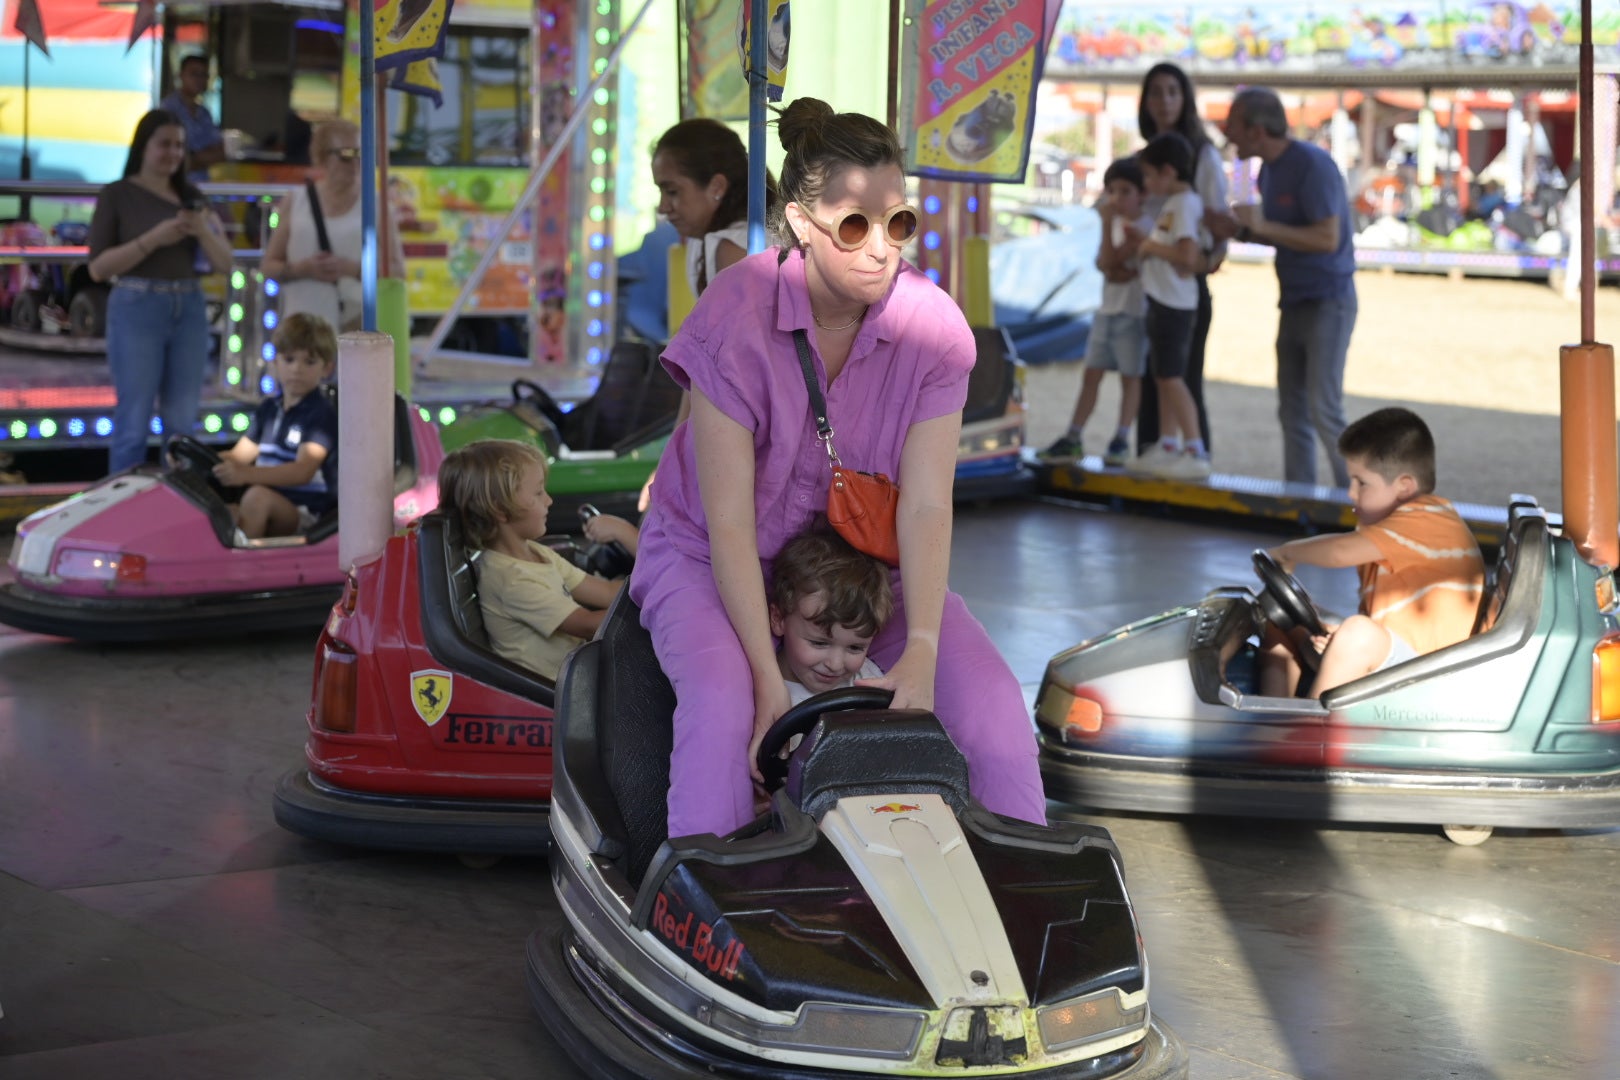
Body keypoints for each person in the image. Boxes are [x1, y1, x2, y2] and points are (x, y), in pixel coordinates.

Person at [628, 97, 1048, 840]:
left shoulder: (934, 331)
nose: (882, 249)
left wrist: (922, 648)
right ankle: (704, 885)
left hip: (858, 568)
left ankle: (1022, 885)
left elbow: (926, 505)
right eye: (855, 226)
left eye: (899, 223)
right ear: (800, 223)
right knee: (725, 707)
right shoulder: (736, 310)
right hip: (709, 556)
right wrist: (767, 680)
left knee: (990, 706)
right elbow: (729, 525)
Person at [1259, 407, 1484, 698]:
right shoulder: (1387, 536)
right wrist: (1336, 639)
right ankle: (1272, 715)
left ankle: (1309, 726)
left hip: (1431, 675)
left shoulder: (1428, 518)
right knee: (1280, 618)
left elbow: (1339, 552)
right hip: (1398, 660)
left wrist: (1287, 553)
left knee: (1358, 634)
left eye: (1361, 482)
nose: (1351, 493)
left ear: (1404, 487)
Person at [1210, 86, 1358, 489]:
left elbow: (1326, 238)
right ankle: (1301, 498)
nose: (1228, 134)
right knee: (1293, 410)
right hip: (1295, 299)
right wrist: (1240, 230)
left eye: (1233, 126)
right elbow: (1285, 233)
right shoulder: (1271, 169)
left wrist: (1259, 226)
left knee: (1323, 408)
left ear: (1257, 131)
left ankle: (1360, 504)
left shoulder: (1312, 165)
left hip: (1328, 299)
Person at [639, 118, 780, 508]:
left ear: (717, 186)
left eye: (672, 191)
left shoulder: (728, 249)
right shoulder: (729, 241)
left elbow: (712, 367)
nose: (664, 207)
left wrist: (674, 460)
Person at [88, 109, 235, 474]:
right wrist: (154, 239)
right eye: (164, 144)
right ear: (144, 146)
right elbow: (98, 268)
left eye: (180, 146)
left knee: (182, 420)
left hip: (189, 306)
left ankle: (178, 499)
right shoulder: (118, 194)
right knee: (133, 419)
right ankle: (123, 500)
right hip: (137, 304)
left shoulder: (192, 196)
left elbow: (225, 263)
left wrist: (201, 230)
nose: (173, 153)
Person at [438, 440, 623, 682]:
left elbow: (607, 592)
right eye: (538, 493)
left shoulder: (537, 553)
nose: (549, 500)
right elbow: (587, 624)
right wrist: (656, 610)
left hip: (578, 675)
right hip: (555, 694)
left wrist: (659, 586)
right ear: (500, 509)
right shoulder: (509, 579)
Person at [1134, 63, 1229, 457]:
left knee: (1181, 380)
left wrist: (1197, 260)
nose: (1164, 101)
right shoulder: (1144, 158)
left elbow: (1218, 225)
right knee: (1154, 380)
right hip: (1151, 286)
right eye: (1156, 92)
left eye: (1173, 91)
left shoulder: (1202, 158)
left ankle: (1194, 459)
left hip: (1183, 286)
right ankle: (1158, 455)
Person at [1039, 158, 1151, 467]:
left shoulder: (1144, 226)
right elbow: (1107, 266)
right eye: (1112, 191)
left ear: (1142, 194)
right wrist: (1113, 263)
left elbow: (1111, 262)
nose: (1116, 199)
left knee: (1130, 377)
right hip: (1108, 308)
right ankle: (1074, 437)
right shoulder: (1116, 223)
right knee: (1092, 374)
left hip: (1134, 312)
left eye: (1125, 191)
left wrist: (1110, 252)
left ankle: (1121, 439)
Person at [261, 121, 401, 332]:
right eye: (346, 155)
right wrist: (302, 269)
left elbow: (397, 272)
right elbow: (268, 267)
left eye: (361, 154)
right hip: (302, 328)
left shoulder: (377, 205)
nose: (355, 163)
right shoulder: (297, 200)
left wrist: (351, 269)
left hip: (355, 325)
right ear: (322, 158)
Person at [211, 313, 339, 540]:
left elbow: (302, 471)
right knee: (220, 512)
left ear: (326, 369)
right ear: (276, 362)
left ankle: (243, 559)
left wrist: (246, 474)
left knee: (256, 498)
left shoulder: (320, 413)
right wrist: (194, 463)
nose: (297, 369)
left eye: (309, 362)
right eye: (289, 360)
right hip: (273, 502)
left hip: (308, 515)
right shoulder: (269, 409)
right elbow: (238, 457)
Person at [1131, 133, 1211, 480]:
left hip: (1173, 305)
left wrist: (1150, 248)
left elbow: (1187, 256)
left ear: (1168, 171)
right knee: (1164, 377)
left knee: (1173, 379)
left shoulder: (1183, 204)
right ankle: (1167, 444)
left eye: (1150, 175)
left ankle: (1195, 448)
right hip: (1163, 301)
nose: (1147, 184)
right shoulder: (1176, 203)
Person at [768, 530, 892, 706]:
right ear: (778, 618)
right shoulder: (760, 690)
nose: (835, 665)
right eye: (819, 643)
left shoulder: (869, 682)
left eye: (855, 647)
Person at [158, 54, 225, 181]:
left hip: (201, 184)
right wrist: (200, 159)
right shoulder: (169, 109)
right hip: (174, 185)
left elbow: (220, 151)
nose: (199, 79)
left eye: (204, 75)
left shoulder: (204, 113)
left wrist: (197, 159)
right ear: (181, 76)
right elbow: (172, 158)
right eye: (194, 74)